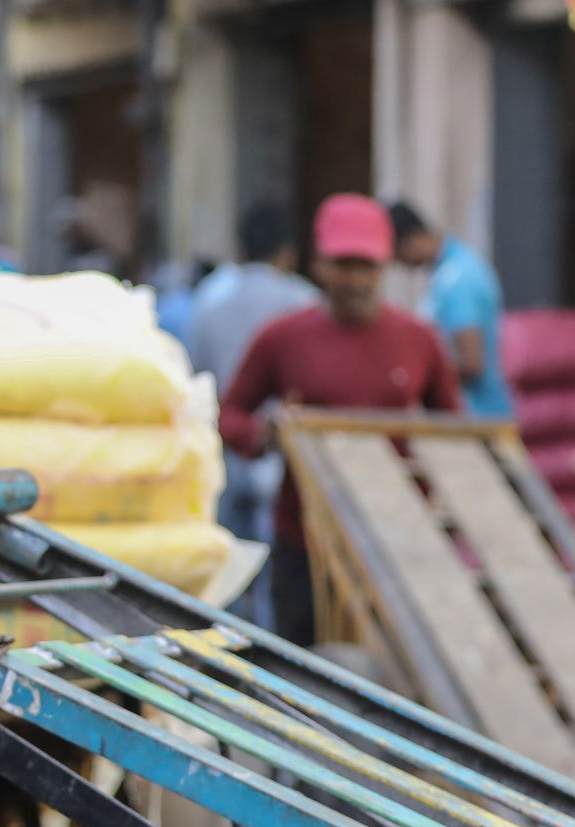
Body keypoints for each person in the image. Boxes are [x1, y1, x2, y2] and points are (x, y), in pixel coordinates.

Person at [219, 193, 462, 644]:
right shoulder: (283, 338)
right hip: (306, 541)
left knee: (398, 670)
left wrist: (435, 497)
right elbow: (230, 414)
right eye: (342, 265)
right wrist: (264, 435)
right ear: (318, 264)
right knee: (304, 674)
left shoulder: (418, 341)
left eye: (366, 266)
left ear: (385, 266)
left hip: (394, 540)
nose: (354, 280)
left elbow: (454, 432)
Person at [189, 202, 320, 551]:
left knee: (224, 562)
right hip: (277, 451)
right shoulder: (304, 302)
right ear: (287, 252)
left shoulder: (209, 300)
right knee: (271, 565)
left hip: (222, 448)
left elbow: (197, 375)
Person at [390, 199, 514, 421]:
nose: (402, 266)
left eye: (398, 255)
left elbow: (471, 362)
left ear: (413, 239)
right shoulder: (454, 268)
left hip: (477, 420)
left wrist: (410, 377)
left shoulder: (457, 279)